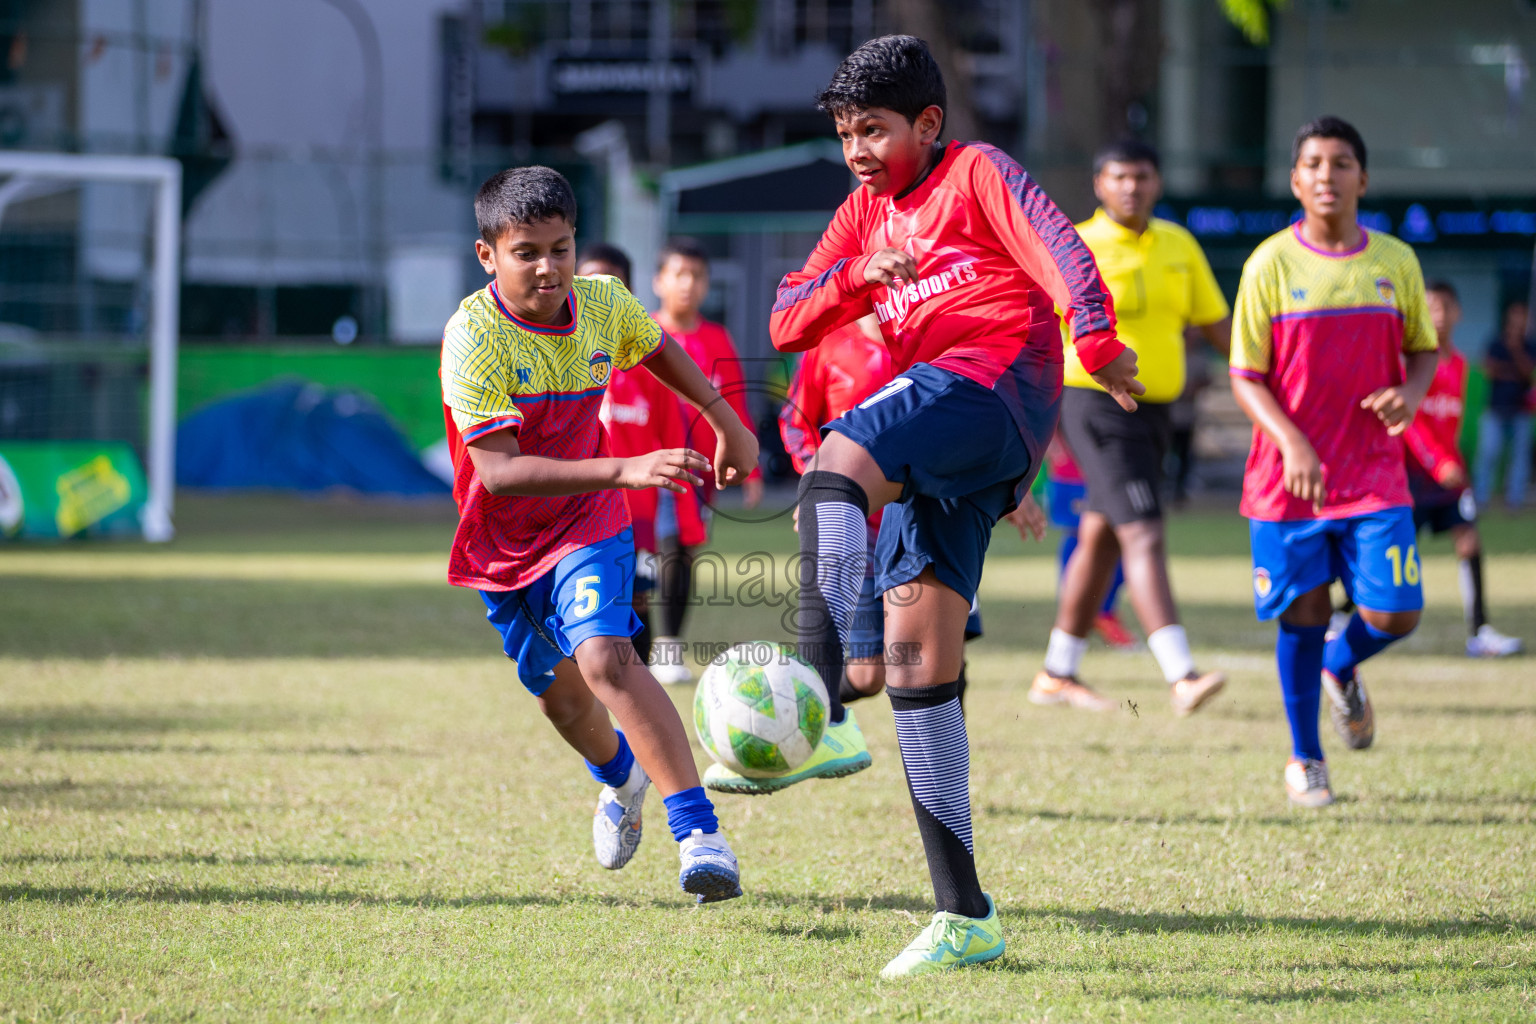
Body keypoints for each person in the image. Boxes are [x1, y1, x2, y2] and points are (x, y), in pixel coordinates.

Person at [757, 36, 1140, 976]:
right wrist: (859, 275)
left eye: (873, 131)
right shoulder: (860, 214)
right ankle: (965, 914)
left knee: (835, 465)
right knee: (918, 657)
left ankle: (816, 707)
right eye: (845, 134)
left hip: (997, 385)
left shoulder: (976, 173)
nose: (857, 150)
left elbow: (1060, 250)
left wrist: (1095, 334)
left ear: (928, 124)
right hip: (959, 439)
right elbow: (784, 318)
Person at [440, 166, 758, 901]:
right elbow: (499, 474)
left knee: (608, 662)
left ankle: (701, 836)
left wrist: (725, 419)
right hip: (504, 543)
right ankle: (622, 778)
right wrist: (625, 467)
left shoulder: (603, 303)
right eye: (528, 252)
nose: (550, 267)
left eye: (561, 247)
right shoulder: (473, 337)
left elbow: (660, 352)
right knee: (563, 701)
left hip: (588, 523)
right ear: (488, 255)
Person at [1228, 117, 1438, 808]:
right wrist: (1291, 442)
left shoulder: (1396, 263)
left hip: (1375, 471)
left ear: (1363, 179)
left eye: (1341, 162)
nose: (1327, 174)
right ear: (1295, 180)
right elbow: (1246, 375)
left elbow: (1423, 349)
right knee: (1304, 617)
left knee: (1397, 611)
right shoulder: (1268, 265)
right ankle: (1305, 758)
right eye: (1313, 163)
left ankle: (1341, 668)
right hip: (1288, 481)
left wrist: (1410, 393)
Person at [1030, 138, 1230, 715]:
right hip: (1092, 402)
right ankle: (1181, 673)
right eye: (1118, 176)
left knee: (1102, 534)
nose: (1131, 187)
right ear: (1099, 184)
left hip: (1159, 411)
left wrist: (1271, 366)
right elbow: (1037, 326)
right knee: (1143, 529)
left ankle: (1056, 672)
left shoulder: (1179, 244)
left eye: (1141, 176)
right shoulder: (1074, 244)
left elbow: (1217, 325)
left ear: (1157, 183)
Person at [582, 244, 710, 666]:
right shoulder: (556, 361)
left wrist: (686, 514)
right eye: (589, 283)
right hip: (578, 510)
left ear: (629, 293)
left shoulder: (646, 361)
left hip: (638, 514)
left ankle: (648, 680)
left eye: (611, 285)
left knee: (638, 603)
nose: (598, 295)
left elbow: (674, 440)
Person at [647, 238, 764, 684]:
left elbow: (734, 404)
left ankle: (670, 648)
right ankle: (645, 649)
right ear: (660, 281)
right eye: (679, 274)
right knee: (656, 552)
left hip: (702, 475)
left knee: (684, 555)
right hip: (651, 469)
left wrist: (748, 463)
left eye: (696, 276)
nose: (687, 284)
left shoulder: (716, 338)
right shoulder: (642, 335)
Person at [1401, 281, 1523, 657]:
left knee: (1469, 540)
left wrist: (1454, 465)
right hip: (1413, 476)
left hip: (1447, 476)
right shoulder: (1413, 362)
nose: (1438, 314)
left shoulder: (1461, 367)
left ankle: (1480, 632)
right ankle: (1341, 616)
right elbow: (1410, 421)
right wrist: (1438, 462)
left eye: (1445, 306)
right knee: (1392, 559)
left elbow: (1449, 424)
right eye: (1430, 306)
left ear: (1457, 313)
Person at [1041, 433, 1136, 649]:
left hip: (1110, 460)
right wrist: (1049, 438)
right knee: (1078, 534)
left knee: (1121, 536)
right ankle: (1084, 612)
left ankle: (1102, 611)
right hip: (1073, 464)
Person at [1473, 299, 1534, 511]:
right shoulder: (1496, 343)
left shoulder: (1529, 345)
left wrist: (1516, 352)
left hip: (1520, 411)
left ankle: (1514, 502)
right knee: (1488, 454)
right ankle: (1480, 500)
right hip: (1495, 408)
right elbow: (1489, 370)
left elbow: (1528, 372)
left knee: (1519, 458)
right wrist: (1512, 372)